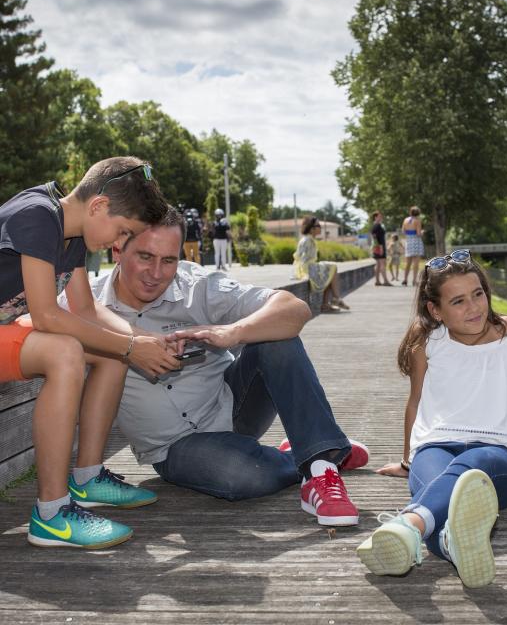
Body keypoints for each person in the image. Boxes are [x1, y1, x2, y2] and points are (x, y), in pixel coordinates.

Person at [82, 207, 368, 527]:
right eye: (145, 257)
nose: (156, 273)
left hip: (233, 406)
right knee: (239, 476)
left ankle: (320, 466)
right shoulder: (86, 303)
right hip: (173, 447)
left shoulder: (197, 284)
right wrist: (130, 345)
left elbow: (294, 308)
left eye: (169, 260)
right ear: (117, 249)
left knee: (277, 338)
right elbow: (39, 318)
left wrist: (232, 332)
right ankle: (317, 450)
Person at [0, 156, 179, 549]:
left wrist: (142, 340)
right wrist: (132, 346)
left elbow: (85, 309)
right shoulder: (36, 216)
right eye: (122, 231)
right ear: (98, 206)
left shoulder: (73, 233)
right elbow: (47, 315)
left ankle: (87, 478)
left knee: (109, 352)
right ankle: (51, 514)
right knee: (65, 351)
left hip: (4, 331)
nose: (118, 244)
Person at [356, 250, 507, 587]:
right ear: (435, 310)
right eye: (459, 301)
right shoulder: (426, 342)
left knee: (472, 465)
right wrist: (408, 460)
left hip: (496, 454)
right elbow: (415, 402)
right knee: (443, 494)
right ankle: (452, 544)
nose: (474, 307)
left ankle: (408, 524)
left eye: (478, 294)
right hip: (435, 446)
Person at [293, 216, 350, 313]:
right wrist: (303, 273)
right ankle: (334, 299)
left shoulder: (309, 239)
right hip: (307, 269)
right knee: (332, 268)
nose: (320, 228)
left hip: (309, 267)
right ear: (312, 229)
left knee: (329, 272)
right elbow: (301, 259)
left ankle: (326, 304)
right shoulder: (307, 240)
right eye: (318, 225)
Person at [401, 206, 425, 286]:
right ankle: (414, 280)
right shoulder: (417, 221)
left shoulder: (405, 220)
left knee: (408, 263)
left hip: (408, 241)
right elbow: (418, 233)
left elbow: (403, 231)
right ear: (418, 213)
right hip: (416, 241)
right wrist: (422, 232)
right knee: (416, 263)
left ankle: (405, 279)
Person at [371, 211, 392, 287]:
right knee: (382, 264)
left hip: (377, 247)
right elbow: (376, 238)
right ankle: (385, 281)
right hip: (379, 247)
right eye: (379, 216)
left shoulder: (376, 226)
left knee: (378, 264)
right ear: (375, 217)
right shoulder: (377, 226)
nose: (381, 218)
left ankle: (377, 281)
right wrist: (381, 248)